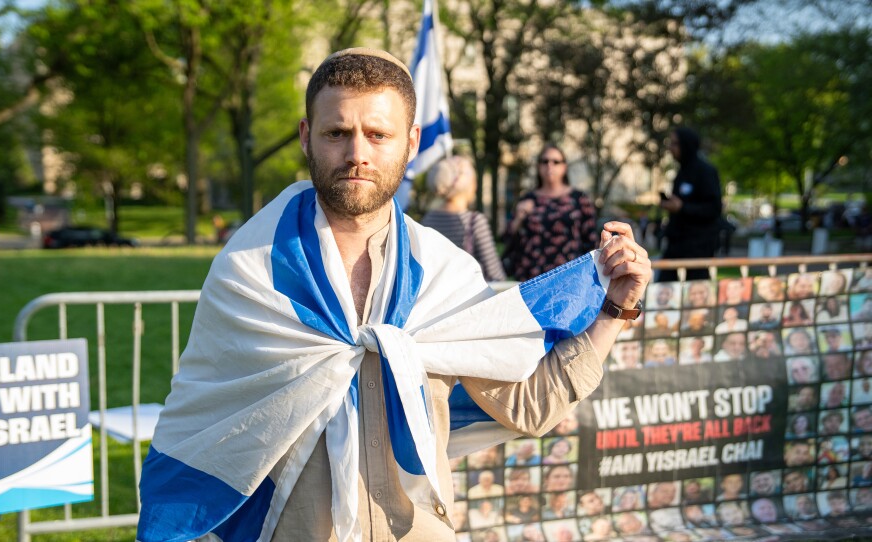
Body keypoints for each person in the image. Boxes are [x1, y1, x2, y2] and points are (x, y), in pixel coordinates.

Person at [136, 48, 653, 542]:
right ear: (305, 137)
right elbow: (203, 428)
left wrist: (613, 309)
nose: (357, 153)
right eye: (337, 132)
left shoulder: (444, 277)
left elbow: (529, 405)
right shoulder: (249, 270)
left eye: (377, 134)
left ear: (410, 142)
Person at [502, 143, 598, 281]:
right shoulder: (527, 199)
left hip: (569, 277)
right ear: (538, 166)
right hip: (531, 278)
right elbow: (507, 236)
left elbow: (591, 241)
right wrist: (519, 216)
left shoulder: (579, 199)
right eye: (544, 161)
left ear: (564, 167)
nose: (549, 165)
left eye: (556, 162)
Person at [422, 155, 506, 281]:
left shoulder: (427, 219)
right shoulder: (474, 222)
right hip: (468, 296)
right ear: (469, 185)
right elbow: (495, 274)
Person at [657, 127, 723, 282]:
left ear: (686, 145)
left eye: (675, 144)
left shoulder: (705, 171)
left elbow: (714, 208)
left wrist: (683, 208)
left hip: (697, 250)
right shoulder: (681, 172)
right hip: (675, 246)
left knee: (695, 298)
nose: (670, 148)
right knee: (664, 292)